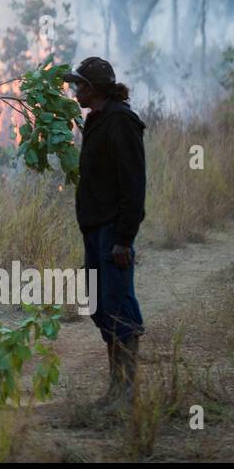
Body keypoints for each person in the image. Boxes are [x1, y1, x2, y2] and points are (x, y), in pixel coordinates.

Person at [64, 56, 146, 406]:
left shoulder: (121, 122)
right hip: (95, 228)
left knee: (118, 306)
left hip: (113, 231)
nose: (74, 90)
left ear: (94, 88)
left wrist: (124, 239)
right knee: (100, 304)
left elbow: (133, 183)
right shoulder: (97, 119)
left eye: (79, 85)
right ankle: (115, 388)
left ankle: (125, 392)